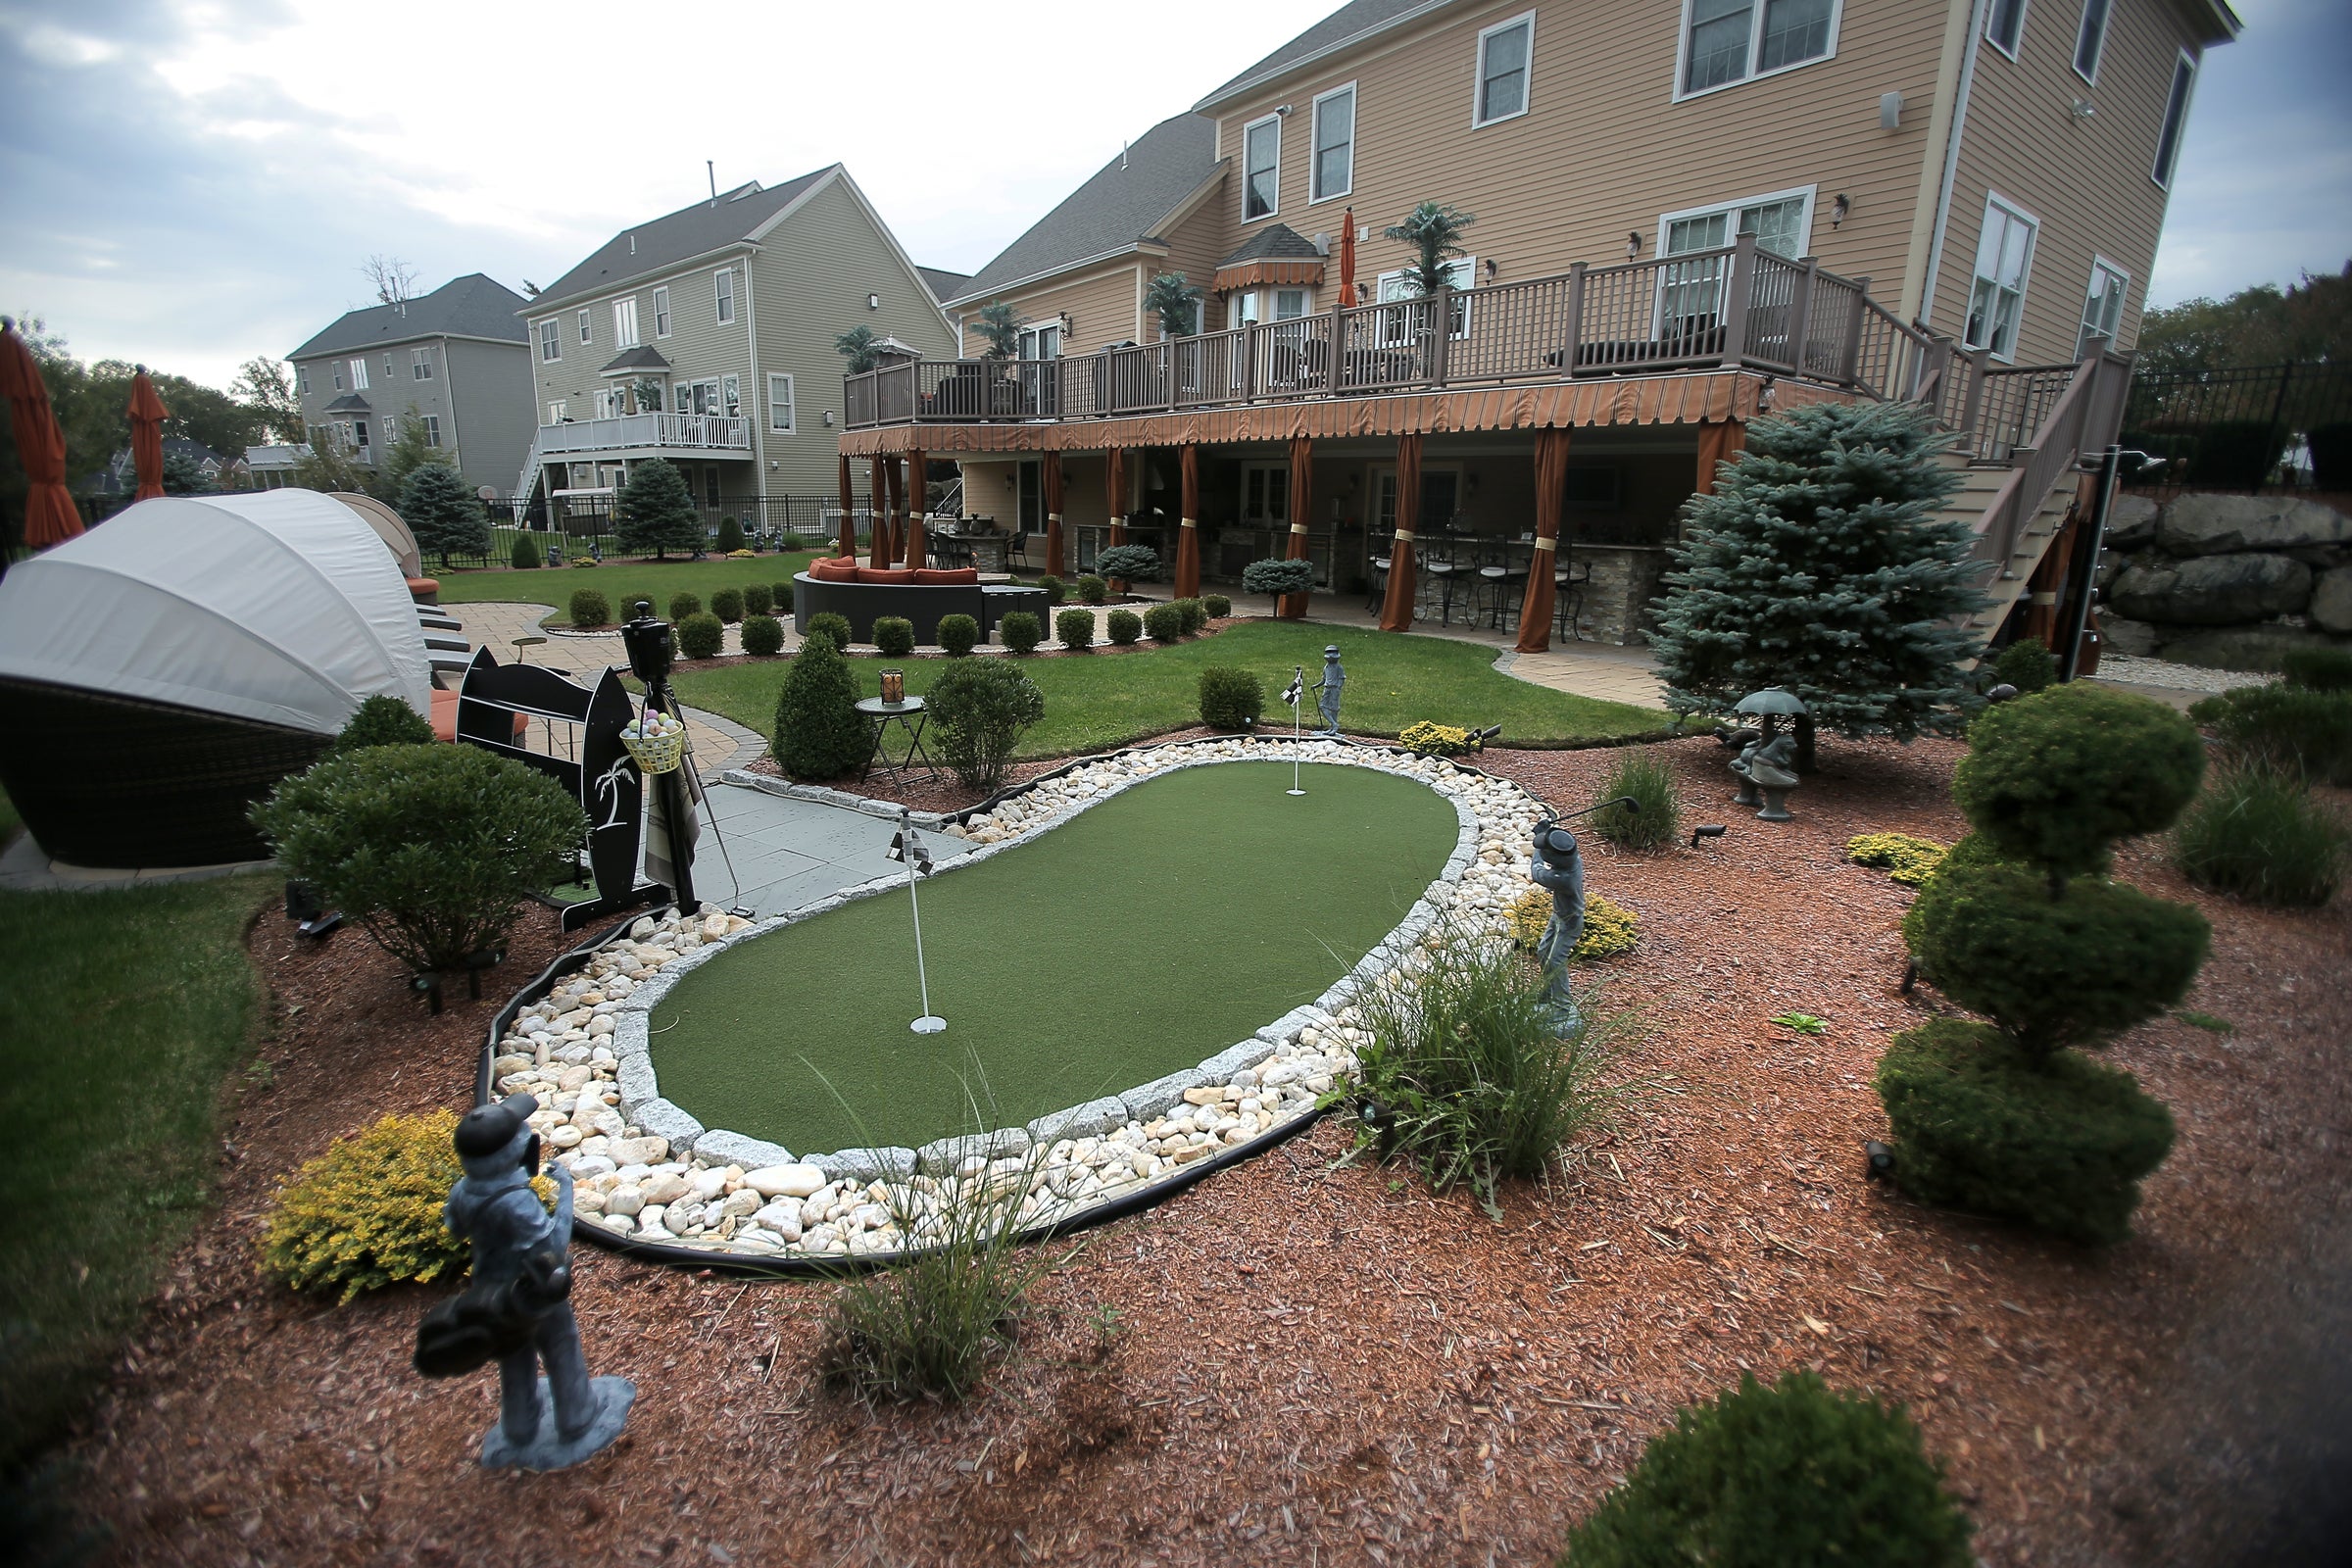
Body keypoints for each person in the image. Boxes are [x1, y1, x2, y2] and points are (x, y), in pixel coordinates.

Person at [432, 1097, 631, 1464]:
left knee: (513, 1352)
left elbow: (454, 1228)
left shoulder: (463, 1191)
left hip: (490, 1290)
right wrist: (566, 1193)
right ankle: (577, 1418)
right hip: (532, 1291)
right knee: (559, 1345)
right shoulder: (516, 1201)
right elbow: (551, 1246)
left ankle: (520, 1426)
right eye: (522, 1132)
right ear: (511, 1149)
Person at [1528, 819, 1587, 1029]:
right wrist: (1548, 832)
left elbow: (1536, 870)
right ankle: (1547, 995)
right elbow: (1562, 842)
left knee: (1555, 960)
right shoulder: (1573, 857)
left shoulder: (1563, 878)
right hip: (1559, 915)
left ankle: (1561, 1006)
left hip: (1570, 922)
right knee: (1543, 951)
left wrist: (1539, 842)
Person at [1311, 645, 1346, 736]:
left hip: (1334, 688)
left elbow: (1342, 678)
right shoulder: (1326, 667)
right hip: (1327, 688)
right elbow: (1324, 679)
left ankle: (1333, 727)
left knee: (1334, 708)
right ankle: (1334, 724)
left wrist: (1338, 687)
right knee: (1322, 706)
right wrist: (1316, 685)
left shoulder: (1339, 667)